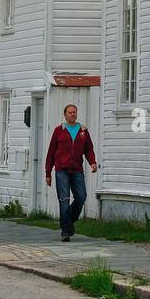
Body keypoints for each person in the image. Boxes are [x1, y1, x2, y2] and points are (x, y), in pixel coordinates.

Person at [45, 103, 98, 241]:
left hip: (77, 170)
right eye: (70, 112)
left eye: (74, 112)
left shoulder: (83, 131)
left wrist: (92, 162)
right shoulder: (59, 130)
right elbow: (51, 152)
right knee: (64, 199)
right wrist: (48, 172)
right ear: (65, 115)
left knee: (81, 196)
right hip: (61, 170)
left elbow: (89, 149)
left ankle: (68, 221)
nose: (73, 114)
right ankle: (66, 231)